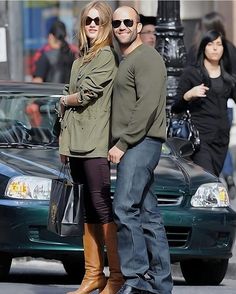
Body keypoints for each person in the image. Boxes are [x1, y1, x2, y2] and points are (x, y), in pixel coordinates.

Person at [58, 2, 122, 294]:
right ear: (82, 25)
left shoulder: (107, 56)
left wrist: (65, 99)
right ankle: (93, 275)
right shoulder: (79, 60)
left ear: (106, 24)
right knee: (87, 209)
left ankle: (117, 275)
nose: (92, 24)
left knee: (100, 203)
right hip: (75, 143)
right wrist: (64, 144)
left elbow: (85, 95)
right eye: (88, 20)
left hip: (95, 141)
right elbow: (72, 101)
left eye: (98, 20)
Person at [109, 6, 173, 294]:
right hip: (139, 143)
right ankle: (161, 284)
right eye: (117, 22)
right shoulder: (127, 59)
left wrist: (122, 144)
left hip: (140, 143)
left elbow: (145, 107)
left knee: (124, 209)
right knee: (148, 215)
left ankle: (135, 281)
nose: (121, 26)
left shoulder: (146, 58)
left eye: (127, 22)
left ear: (137, 26)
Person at [172, 30, 236, 177]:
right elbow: (176, 107)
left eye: (219, 44)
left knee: (213, 179)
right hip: (201, 139)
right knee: (207, 179)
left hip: (221, 139)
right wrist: (189, 95)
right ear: (203, 48)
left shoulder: (228, 77)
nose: (215, 48)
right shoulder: (192, 74)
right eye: (210, 44)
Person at [186, 12, 236, 198]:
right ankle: (224, 177)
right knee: (217, 144)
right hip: (223, 107)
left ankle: (212, 183)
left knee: (211, 147)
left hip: (204, 108)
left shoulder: (195, 50)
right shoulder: (229, 48)